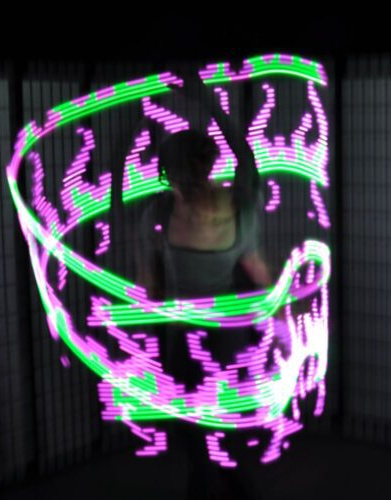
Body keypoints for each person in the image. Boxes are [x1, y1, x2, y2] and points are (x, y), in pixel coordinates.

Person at [134, 74, 272, 499]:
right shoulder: (176, 212)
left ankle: (220, 490)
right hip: (207, 338)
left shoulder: (169, 213)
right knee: (210, 438)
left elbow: (149, 287)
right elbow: (151, 285)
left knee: (205, 439)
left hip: (207, 339)